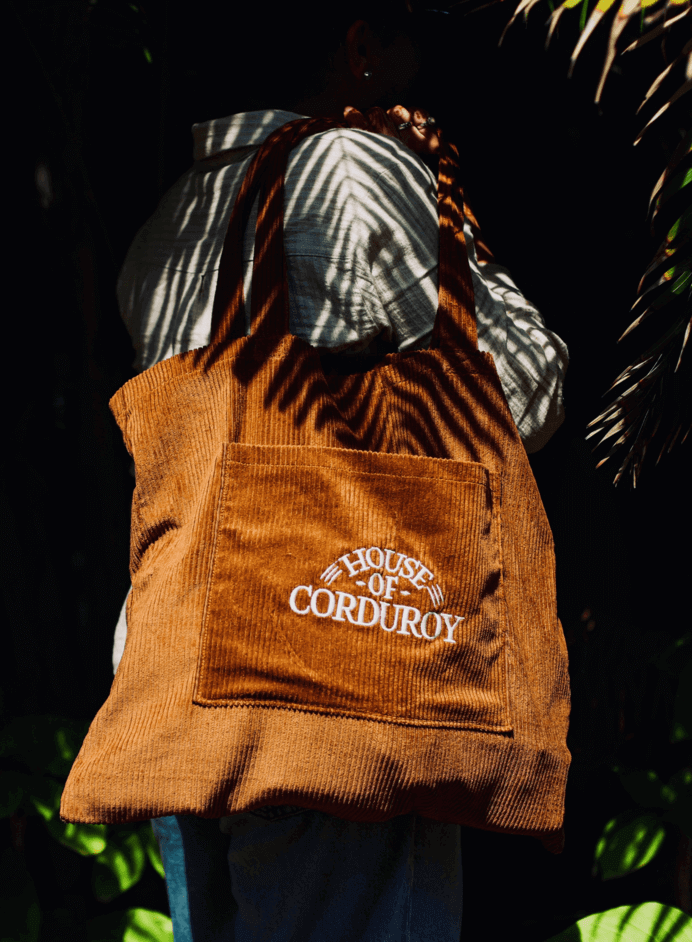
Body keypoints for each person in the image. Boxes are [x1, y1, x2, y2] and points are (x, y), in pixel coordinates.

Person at [111, 2, 569, 939]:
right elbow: (521, 394)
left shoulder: (174, 215)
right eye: (412, 45)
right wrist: (453, 212)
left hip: (179, 672)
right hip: (333, 663)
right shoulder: (352, 171)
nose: (420, 78)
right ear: (361, 46)